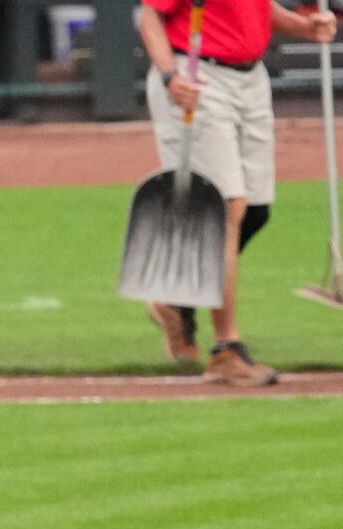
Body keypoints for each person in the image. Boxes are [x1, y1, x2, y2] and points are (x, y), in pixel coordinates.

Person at [138, 0, 337, 384]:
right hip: (197, 77)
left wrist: (305, 27)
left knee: (257, 210)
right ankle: (226, 349)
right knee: (227, 209)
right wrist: (169, 77)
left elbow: (258, 10)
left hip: (251, 80)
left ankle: (177, 299)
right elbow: (150, 16)